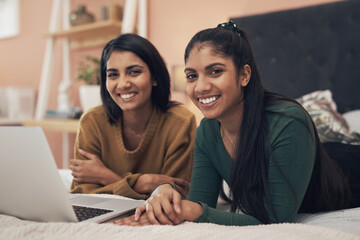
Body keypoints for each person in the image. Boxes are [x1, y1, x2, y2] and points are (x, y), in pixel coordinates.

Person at [114, 21, 352, 226]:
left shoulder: (289, 121)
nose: (200, 87)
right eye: (191, 76)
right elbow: (201, 203)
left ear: (244, 75)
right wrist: (166, 191)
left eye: (215, 71)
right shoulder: (207, 131)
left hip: (349, 172)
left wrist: (195, 211)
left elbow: (274, 218)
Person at [69, 33, 196, 199]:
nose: (123, 84)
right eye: (113, 74)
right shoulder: (92, 121)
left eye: (134, 72)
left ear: (155, 78)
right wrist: (144, 183)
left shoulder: (181, 123)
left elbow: (175, 196)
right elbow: (80, 194)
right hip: (102, 218)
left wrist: (105, 177)